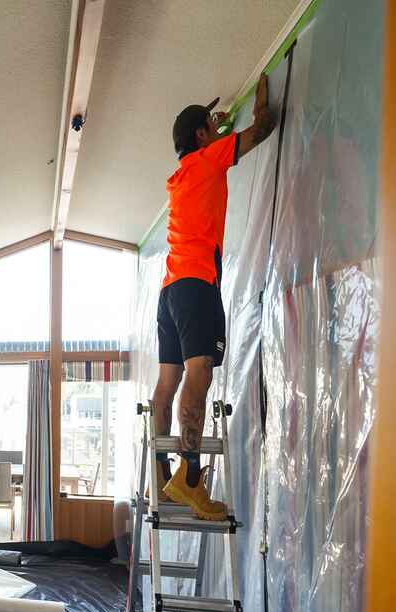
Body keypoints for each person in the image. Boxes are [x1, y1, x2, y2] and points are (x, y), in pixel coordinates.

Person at [153, 75, 277, 520]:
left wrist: (212, 128)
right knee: (198, 373)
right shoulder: (209, 161)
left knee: (167, 384)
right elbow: (262, 128)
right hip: (196, 284)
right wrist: (264, 85)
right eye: (211, 126)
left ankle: (161, 476)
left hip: (169, 290)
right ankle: (189, 481)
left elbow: (212, 142)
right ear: (202, 137)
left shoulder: (181, 174)